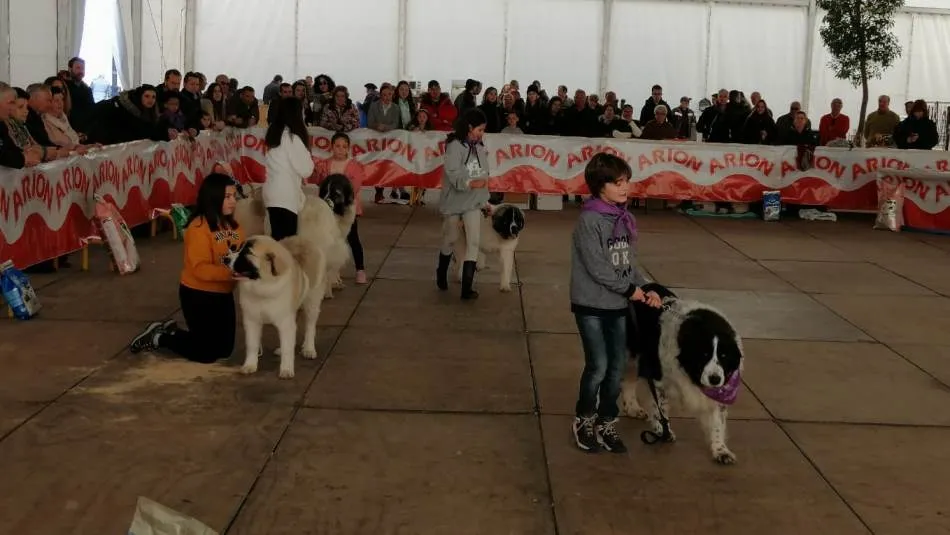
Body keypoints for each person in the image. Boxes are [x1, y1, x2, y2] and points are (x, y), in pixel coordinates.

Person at [570, 153, 661, 454]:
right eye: (618, 183)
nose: (625, 188)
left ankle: (607, 420)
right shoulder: (589, 220)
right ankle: (584, 419)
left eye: (627, 182)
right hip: (591, 306)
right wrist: (630, 290)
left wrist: (648, 287)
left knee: (618, 366)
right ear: (599, 186)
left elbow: (629, 264)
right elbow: (598, 268)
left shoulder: (624, 219)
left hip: (618, 305)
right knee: (598, 365)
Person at [129, 173, 244, 361]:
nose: (233, 202)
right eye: (227, 197)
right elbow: (200, 269)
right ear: (213, 198)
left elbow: (241, 254)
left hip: (223, 294)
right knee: (206, 354)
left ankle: (172, 332)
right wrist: (232, 272)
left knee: (224, 351)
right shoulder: (198, 228)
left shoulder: (236, 227)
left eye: (234, 197)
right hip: (198, 294)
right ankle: (160, 338)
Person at [435, 108, 491, 300]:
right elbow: (453, 172)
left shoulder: (480, 147)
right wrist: (468, 183)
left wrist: (485, 201)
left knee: (473, 240)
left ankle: (467, 287)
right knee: (451, 238)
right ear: (469, 127)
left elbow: (484, 174)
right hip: (454, 201)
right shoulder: (454, 146)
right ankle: (441, 271)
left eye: (483, 130)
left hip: (473, 202)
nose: (481, 134)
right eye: (479, 130)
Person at [315, 133, 369, 284]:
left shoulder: (354, 166)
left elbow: (355, 187)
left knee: (353, 238)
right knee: (329, 240)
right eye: (337, 146)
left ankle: (360, 269)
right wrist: (317, 174)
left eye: (344, 147)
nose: (340, 150)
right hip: (327, 210)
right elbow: (319, 183)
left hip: (347, 210)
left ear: (348, 149)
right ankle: (333, 272)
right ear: (331, 147)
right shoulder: (325, 164)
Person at [263, 97, 315, 241]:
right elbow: (306, 169)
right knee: (288, 246)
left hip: (271, 194)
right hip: (286, 197)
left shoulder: (274, 135)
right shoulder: (292, 139)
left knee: (277, 241)